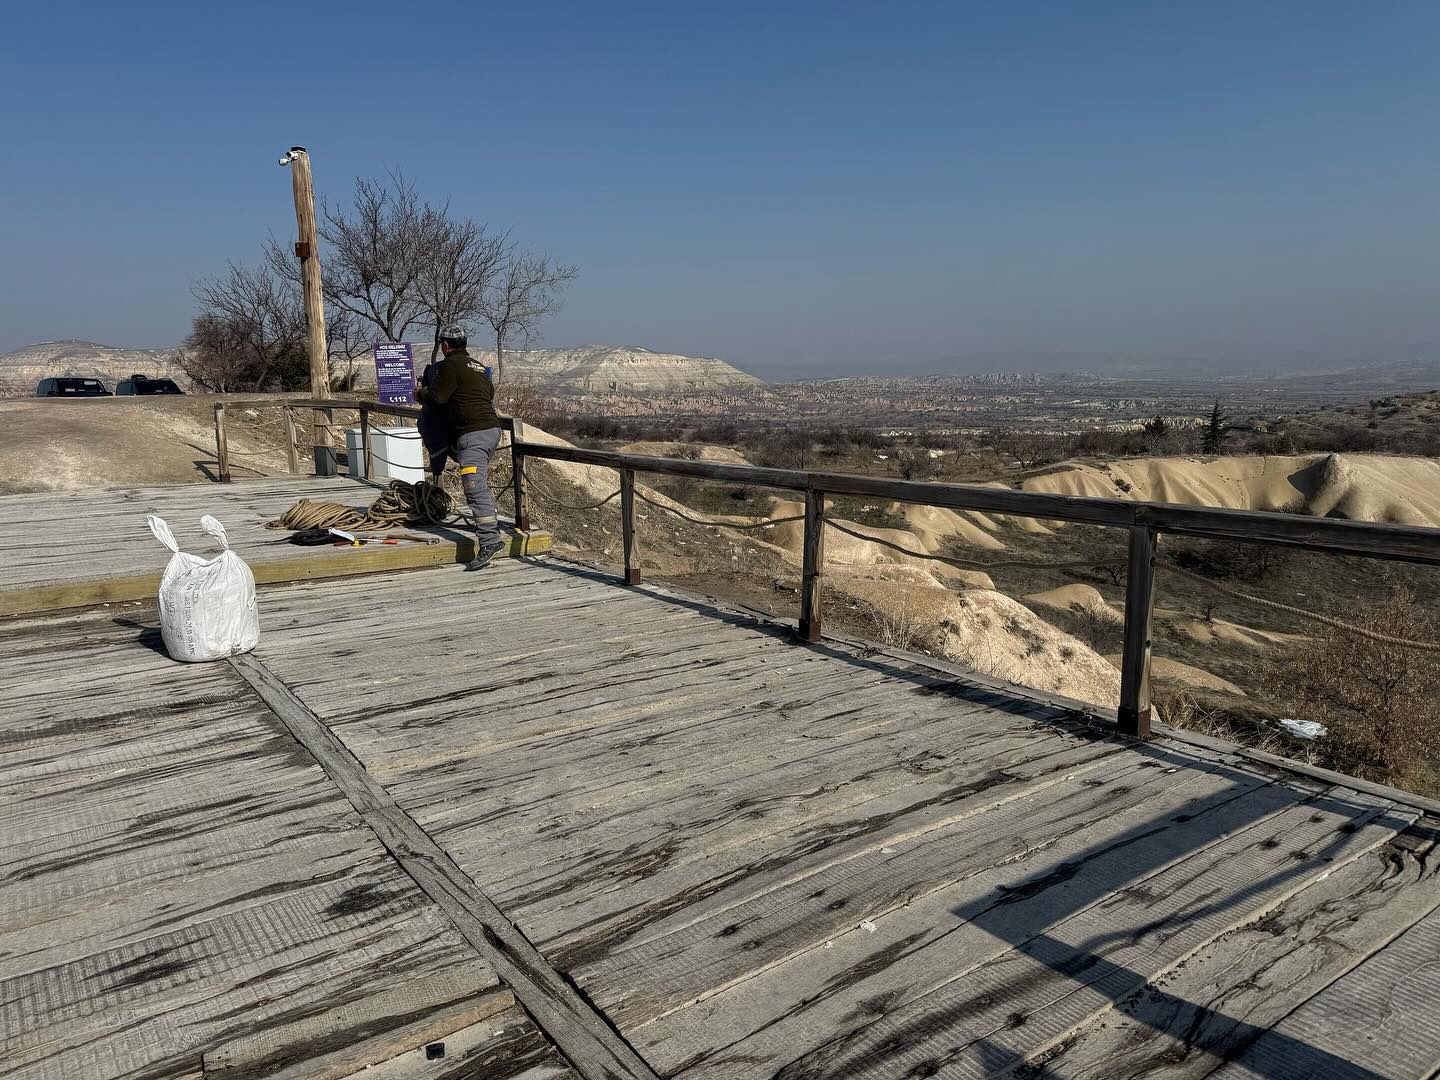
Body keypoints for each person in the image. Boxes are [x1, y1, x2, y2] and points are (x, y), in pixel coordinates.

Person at [415, 325, 507, 571]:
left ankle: (490, 541)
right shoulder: (477, 367)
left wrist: (420, 393)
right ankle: (490, 534)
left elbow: (438, 397)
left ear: (445, 346)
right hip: (490, 431)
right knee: (476, 481)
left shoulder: (449, 366)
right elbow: (488, 393)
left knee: (474, 487)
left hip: (474, 436)